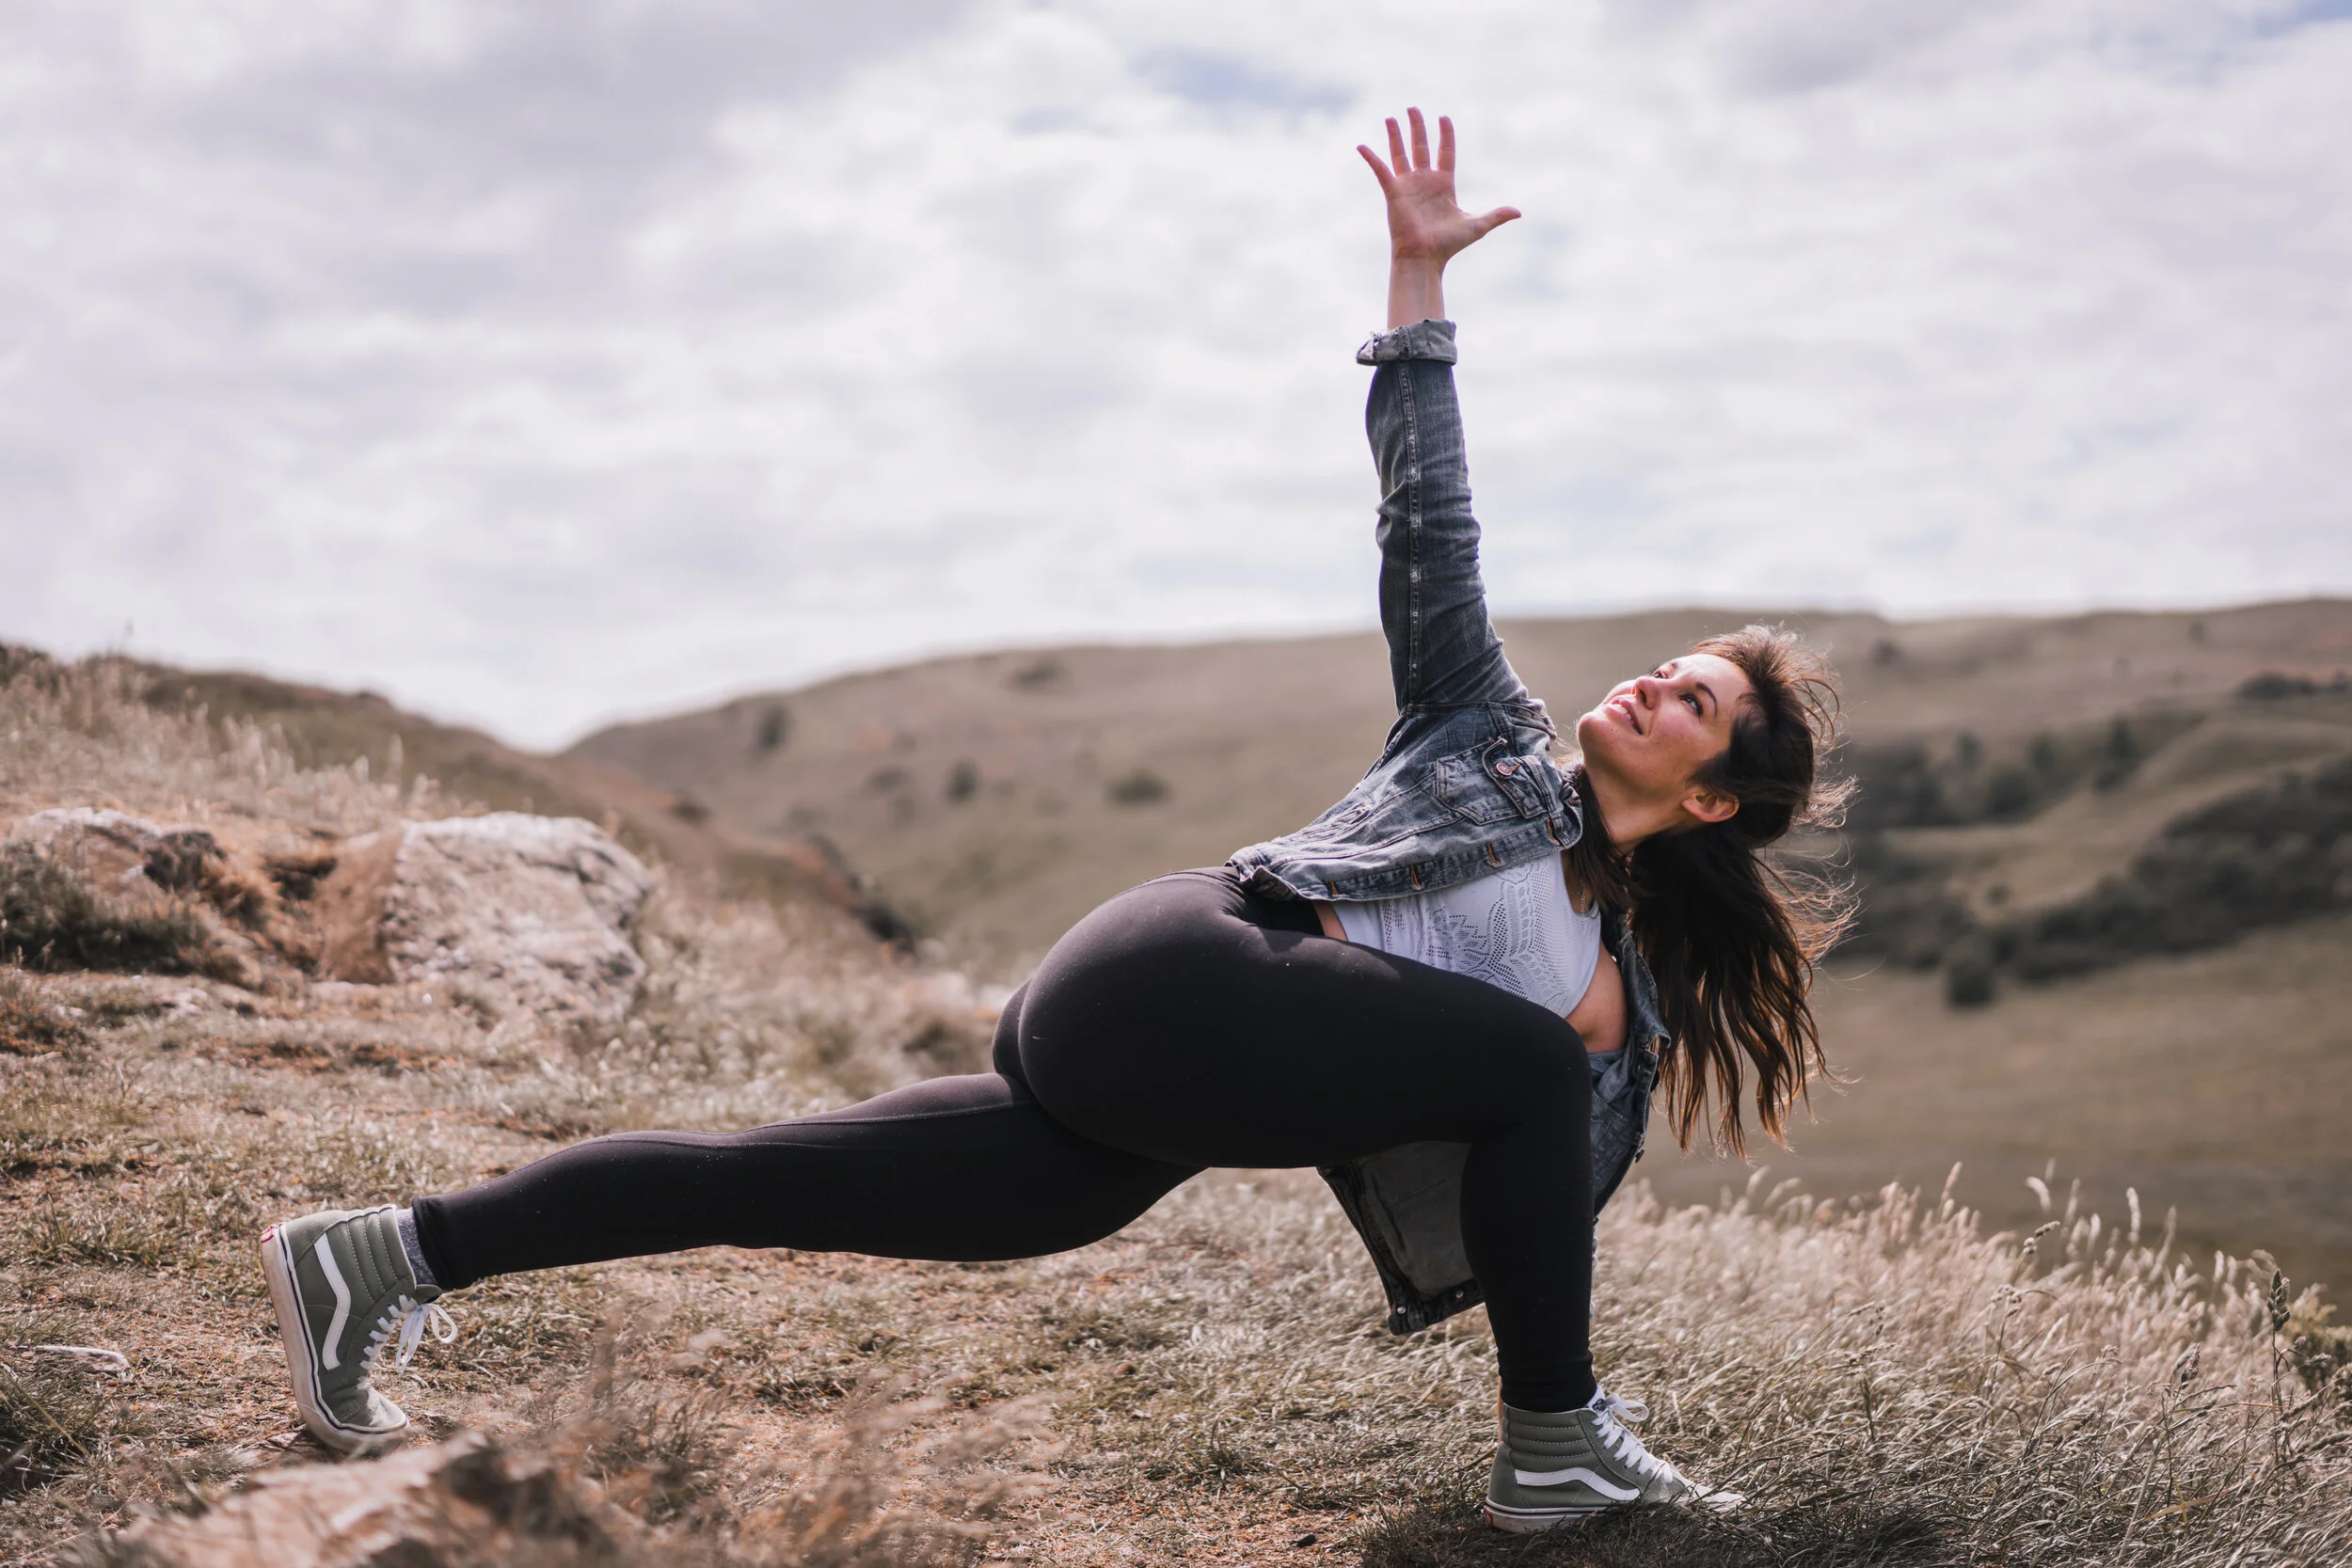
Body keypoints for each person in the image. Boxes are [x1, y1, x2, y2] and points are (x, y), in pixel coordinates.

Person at [259, 107, 1847, 1532]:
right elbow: (1427, 521)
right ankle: (1555, 1445)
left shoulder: (1605, 982)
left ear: (1710, 797)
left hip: (1145, 1103)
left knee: (769, 1179)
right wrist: (1417, 295)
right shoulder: (1486, 738)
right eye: (1665, 666)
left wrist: (1580, 1075)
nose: (1650, 683)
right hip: (1185, 964)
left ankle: (387, 1253)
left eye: (1692, 701)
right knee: (1514, 1057)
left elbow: (1515, 1181)